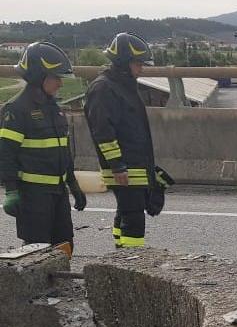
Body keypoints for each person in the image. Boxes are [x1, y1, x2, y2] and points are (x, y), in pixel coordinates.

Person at [0, 42, 86, 253]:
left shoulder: (53, 109)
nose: (60, 84)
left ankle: (63, 287)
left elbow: (63, 150)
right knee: (37, 251)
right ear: (40, 76)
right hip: (32, 195)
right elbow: (5, 153)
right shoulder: (17, 109)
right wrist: (11, 190)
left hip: (58, 191)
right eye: (56, 77)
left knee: (65, 246)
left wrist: (73, 184)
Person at [84, 32, 157, 248]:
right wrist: (117, 165)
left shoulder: (123, 85)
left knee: (125, 211)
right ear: (125, 63)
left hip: (132, 164)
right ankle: (132, 261)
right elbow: (103, 132)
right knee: (133, 218)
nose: (141, 68)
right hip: (124, 167)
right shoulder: (104, 88)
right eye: (138, 63)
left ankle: (120, 256)